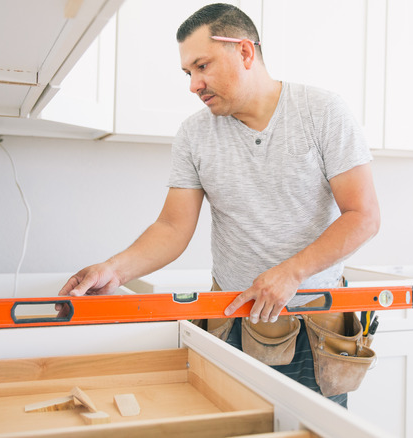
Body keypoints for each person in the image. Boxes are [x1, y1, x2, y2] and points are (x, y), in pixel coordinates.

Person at [57, 3, 380, 407]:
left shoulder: (323, 112)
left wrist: (291, 273)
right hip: (230, 321)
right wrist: (113, 270)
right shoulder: (194, 135)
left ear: (245, 52)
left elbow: (363, 216)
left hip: (314, 327)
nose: (193, 84)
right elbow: (172, 228)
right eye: (188, 72)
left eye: (202, 66)